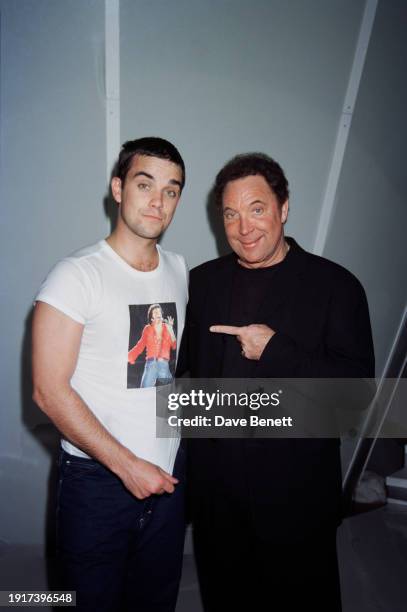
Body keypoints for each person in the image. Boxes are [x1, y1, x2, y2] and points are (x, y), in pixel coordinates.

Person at [177, 153, 375, 611]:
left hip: (297, 503)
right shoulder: (201, 285)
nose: (244, 227)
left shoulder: (336, 287)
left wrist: (275, 350)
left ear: (284, 208)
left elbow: (356, 395)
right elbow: (172, 366)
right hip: (218, 502)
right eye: (231, 213)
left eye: (257, 208)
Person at [32, 137, 188, 612]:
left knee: (154, 602)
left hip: (166, 479)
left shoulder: (180, 269)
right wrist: (127, 466)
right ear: (118, 188)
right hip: (97, 483)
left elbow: (163, 376)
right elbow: (48, 392)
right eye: (145, 185)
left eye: (171, 189)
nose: (158, 201)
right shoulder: (75, 275)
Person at [128, 303, 176, 387]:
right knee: (144, 389)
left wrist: (171, 329)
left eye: (159, 312)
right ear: (152, 317)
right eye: (155, 312)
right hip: (151, 364)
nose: (158, 313)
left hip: (163, 364)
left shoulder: (167, 327)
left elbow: (174, 346)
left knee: (170, 391)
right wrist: (129, 356)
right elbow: (140, 345)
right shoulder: (147, 329)